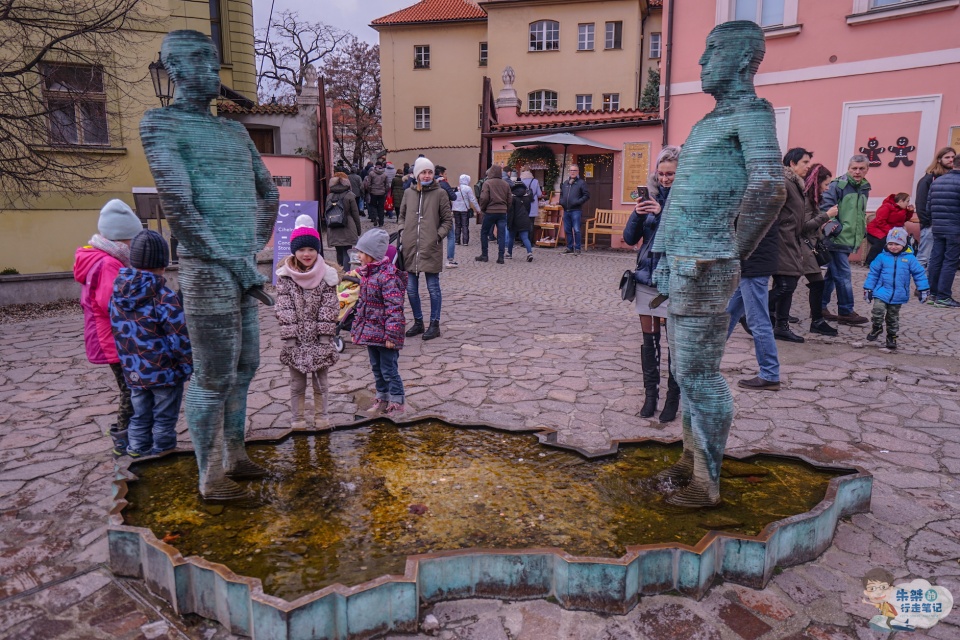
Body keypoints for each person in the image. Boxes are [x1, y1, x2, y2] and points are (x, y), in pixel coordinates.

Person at [140, 30, 279, 500]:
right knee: (213, 373)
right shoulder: (160, 124)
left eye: (213, 61)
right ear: (174, 69)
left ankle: (235, 453)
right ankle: (209, 476)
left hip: (237, 262)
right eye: (199, 61)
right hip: (206, 267)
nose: (210, 71)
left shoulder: (234, 129)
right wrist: (231, 259)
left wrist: (251, 246)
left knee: (246, 364)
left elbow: (270, 192)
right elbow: (179, 206)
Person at [651, 21, 785, 506]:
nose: (702, 62)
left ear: (745, 59)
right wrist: (662, 254)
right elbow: (680, 198)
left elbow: (770, 184)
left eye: (713, 52)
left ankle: (707, 484)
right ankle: (690, 461)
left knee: (701, 374)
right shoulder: (708, 122)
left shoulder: (752, 114)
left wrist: (733, 251)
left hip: (708, 263)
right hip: (684, 262)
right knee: (686, 372)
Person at [109, 230, 192, 457]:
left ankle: (136, 450)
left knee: (140, 414)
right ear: (164, 263)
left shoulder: (117, 292)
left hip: (133, 369)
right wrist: (188, 366)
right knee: (164, 417)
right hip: (164, 372)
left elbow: (115, 328)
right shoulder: (164, 295)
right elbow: (179, 336)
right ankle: (162, 454)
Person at [74, 199, 142, 455]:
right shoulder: (108, 263)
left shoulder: (100, 258)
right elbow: (112, 303)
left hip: (110, 336)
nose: (133, 246)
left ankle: (125, 433)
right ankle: (123, 439)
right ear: (121, 238)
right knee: (130, 388)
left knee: (129, 387)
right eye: (131, 240)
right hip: (114, 339)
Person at [622, 145, 681, 422]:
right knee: (649, 340)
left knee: (674, 344)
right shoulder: (651, 197)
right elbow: (631, 238)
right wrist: (638, 212)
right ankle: (650, 397)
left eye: (670, 174)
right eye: (661, 173)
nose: (665, 179)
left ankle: (672, 399)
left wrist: (661, 213)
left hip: (674, 281)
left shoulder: (685, 200)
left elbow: (684, 237)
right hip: (646, 277)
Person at [275, 216, 341, 428]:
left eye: (311, 249)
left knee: (321, 383)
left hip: (320, 339)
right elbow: (284, 307)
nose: (306, 254)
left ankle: (322, 417)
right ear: (294, 251)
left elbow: (329, 307)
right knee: (297, 384)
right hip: (295, 340)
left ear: (317, 250)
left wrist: (324, 336)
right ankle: (298, 419)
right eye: (302, 249)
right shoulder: (285, 277)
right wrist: (291, 338)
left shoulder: (327, 276)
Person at [351, 228, 407, 417]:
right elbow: (361, 306)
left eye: (360, 252)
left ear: (372, 254)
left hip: (385, 335)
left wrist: (392, 335)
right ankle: (382, 397)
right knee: (376, 368)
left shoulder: (387, 277)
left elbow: (394, 309)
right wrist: (357, 329)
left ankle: (397, 401)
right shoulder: (367, 275)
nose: (357, 255)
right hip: (371, 333)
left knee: (389, 368)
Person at [398, 157, 453, 340]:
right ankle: (418, 322)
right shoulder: (409, 193)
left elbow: (447, 220)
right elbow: (402, 216)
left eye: (429, 172)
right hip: (411, 247)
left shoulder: (440, 193)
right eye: (423, 172)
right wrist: (403, 232)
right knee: (411, 289)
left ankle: (434, 324)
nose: (427, 175)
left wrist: (437, 236)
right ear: (417, 175)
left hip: (431, 247)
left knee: (433, 288)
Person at [727, 220, 782, 391]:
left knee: (758, 320)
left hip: (754, 263)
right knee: (728, 314)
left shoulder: (757, 196)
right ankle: (707, 359)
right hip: (750, 263)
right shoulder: (760, 195)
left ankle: (770, 373)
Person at [769, 147, 813, 343]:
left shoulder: (795, 184)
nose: (808, 166)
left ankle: (781, 326)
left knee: (787, 284)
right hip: (781, 241)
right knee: (787, 284)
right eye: (804, 162)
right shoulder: (784, 183)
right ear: (792, 164)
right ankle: (749, 308)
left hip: (791, 240)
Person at [820, 155, 871, 325]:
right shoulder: (838, 185)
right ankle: (846, 311)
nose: (857, 172)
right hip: (836, 239)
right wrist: (835, 228)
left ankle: (820, 306)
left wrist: (861, 232)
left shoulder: (864, 187)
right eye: (854, 168)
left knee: (832, 276)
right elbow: (826, 208)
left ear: (867, 169)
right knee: (843, 275)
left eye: (861, 168)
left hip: (849, 238)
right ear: (849, 168)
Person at [863, 227, 929, 350]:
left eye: (897, 244)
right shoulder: (881, 257)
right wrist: (868, 288)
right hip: (881, 291)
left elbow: (919, 274)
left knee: (892, 317)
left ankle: (891, 336)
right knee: (878, 310)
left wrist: (923, 289)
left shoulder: (910, 259)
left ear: (904, 244)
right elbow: (873, 274)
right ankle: (877, 327)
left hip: (898, 294)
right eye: (891, 244)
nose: (893, 247)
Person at [801, 163, 840, 336]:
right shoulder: (807, 201)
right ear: (817, 183)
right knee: (813, 284)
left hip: (807, 246)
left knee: (788, 285)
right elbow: (804, 226)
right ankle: (817, 322)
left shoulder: (812, 199)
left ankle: (816, 321)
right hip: (803, 247)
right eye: (826, 184)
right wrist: (826, 216)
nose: (827, 188)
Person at [926, 157, 960, 307]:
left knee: (936, 259)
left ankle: (932, 294)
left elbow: (929, 207)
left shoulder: (937, 181)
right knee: (950, 261)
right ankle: (943, 296)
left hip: (938, 227)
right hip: (955, 228)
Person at [916, 146, 956, 268]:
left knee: (939, 260)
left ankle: (932, 285)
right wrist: (927, 223)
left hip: (947, 226)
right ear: (939, 160)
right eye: (947, 157)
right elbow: (921, 202)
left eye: (953, 157)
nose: (951, 160)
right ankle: (921, 286)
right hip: (931, 225)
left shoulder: (953, 178)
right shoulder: (929, 178)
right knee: (924, 258)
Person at [325, 172, 363, 272]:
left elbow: (326, 212)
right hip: (348, 226)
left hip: (334, 225)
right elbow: (355, 213)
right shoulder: (350, 195)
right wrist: (358, 230)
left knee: (338, 251)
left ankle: (339, 272)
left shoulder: (330, 196)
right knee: (347, 251)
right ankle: (346, 274)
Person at [864, 193, 914, 267]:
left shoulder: (903, 209)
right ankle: (870, 261)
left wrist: (910, 211)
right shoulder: (886, 207)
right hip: (876, 230)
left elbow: (904, 219)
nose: (908, 203)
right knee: (882, 241)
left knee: (904, 241)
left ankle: (903, 261)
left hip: (892, 231)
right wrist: (891, 233)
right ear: (901, 201)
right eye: (907, 201)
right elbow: (880, 221)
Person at [477, 164, 512, 264]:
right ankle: (501, 257)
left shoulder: (487, 183)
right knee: (501, 235)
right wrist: (506, 209)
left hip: (490, 212)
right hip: (502, 212)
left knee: (484, 232)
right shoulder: (505, 184)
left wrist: (483, 208)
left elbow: (484, 198)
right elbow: (510, 199)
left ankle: (484, 255)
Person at [559, 164, 590, 255]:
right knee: (567, 230)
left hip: (576, 210)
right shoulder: (565, 183)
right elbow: (562, 194)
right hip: (566, 210)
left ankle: (577, 248)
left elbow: (586, 195)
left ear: (578, 172)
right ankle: (569, 247)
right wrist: (561, 201)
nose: (572, 172)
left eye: (574, 170)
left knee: (576, 230)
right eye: (571, 170)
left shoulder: (581, 183)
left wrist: (578, 202)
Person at [506, 178, 535, 261]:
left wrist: (509, 222)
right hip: (525, 219)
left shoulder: (513, 198)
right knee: (525, 238)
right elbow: (528, 209)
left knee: (511, 237)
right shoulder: (527, 197)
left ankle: (509, 253)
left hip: (514, 220)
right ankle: (529, 253)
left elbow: (510, 211)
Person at [363, 161, 391, 227]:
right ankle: (381, 221)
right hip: (382, 192)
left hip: (373, 192)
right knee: (381, 207)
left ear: (376, 165)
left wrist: (370, 190)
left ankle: (375, 217)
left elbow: (368, 184)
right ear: (381, 165)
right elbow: (387, 185)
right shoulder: (385, 174)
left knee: (373, 206)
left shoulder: (371, 173)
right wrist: (385, 191)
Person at [519, 167, 542, 232]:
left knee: (523, 223)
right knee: (531, 222)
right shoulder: (535, 181)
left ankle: (524, 240)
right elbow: (539, 194)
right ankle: (530, 240)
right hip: (533, 204)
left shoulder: (520, 181)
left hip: (523, 204)